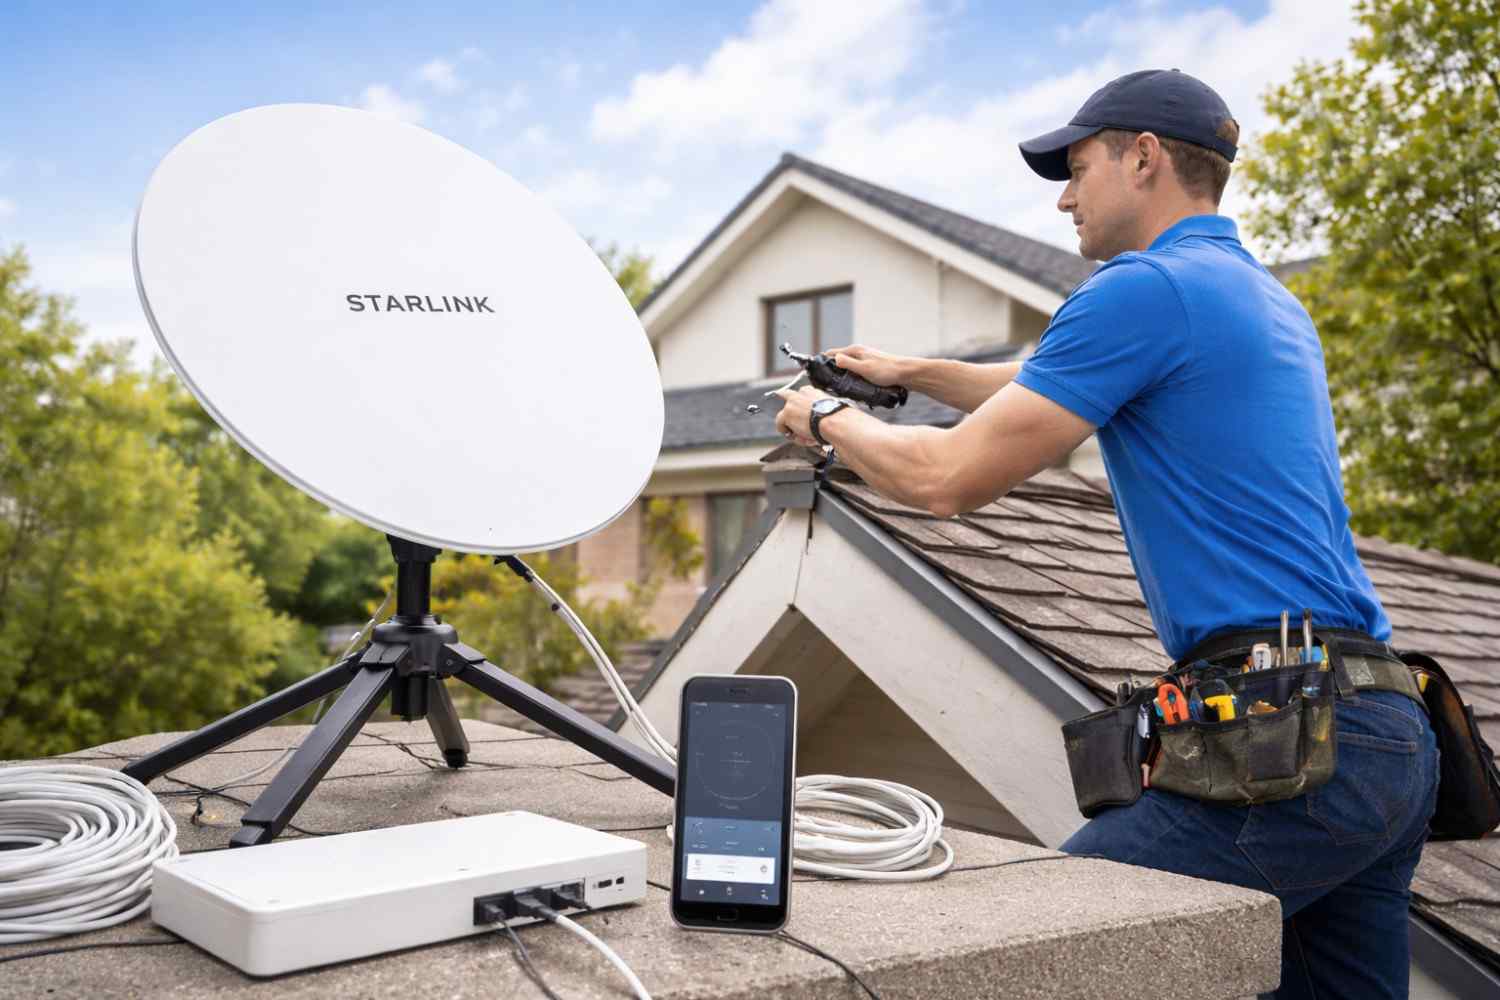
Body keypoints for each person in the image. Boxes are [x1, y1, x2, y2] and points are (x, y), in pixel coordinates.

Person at [773, 69, 1438, 1000]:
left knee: (1031, 952)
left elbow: (946, 480)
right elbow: (1049, 373)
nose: (1062, 193)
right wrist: (907, 371)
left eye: (1077, 166)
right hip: (1384, 732)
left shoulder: (1142, 290)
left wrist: (820, 421)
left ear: (1143, 157)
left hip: (1290, 743)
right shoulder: (1254, 297)